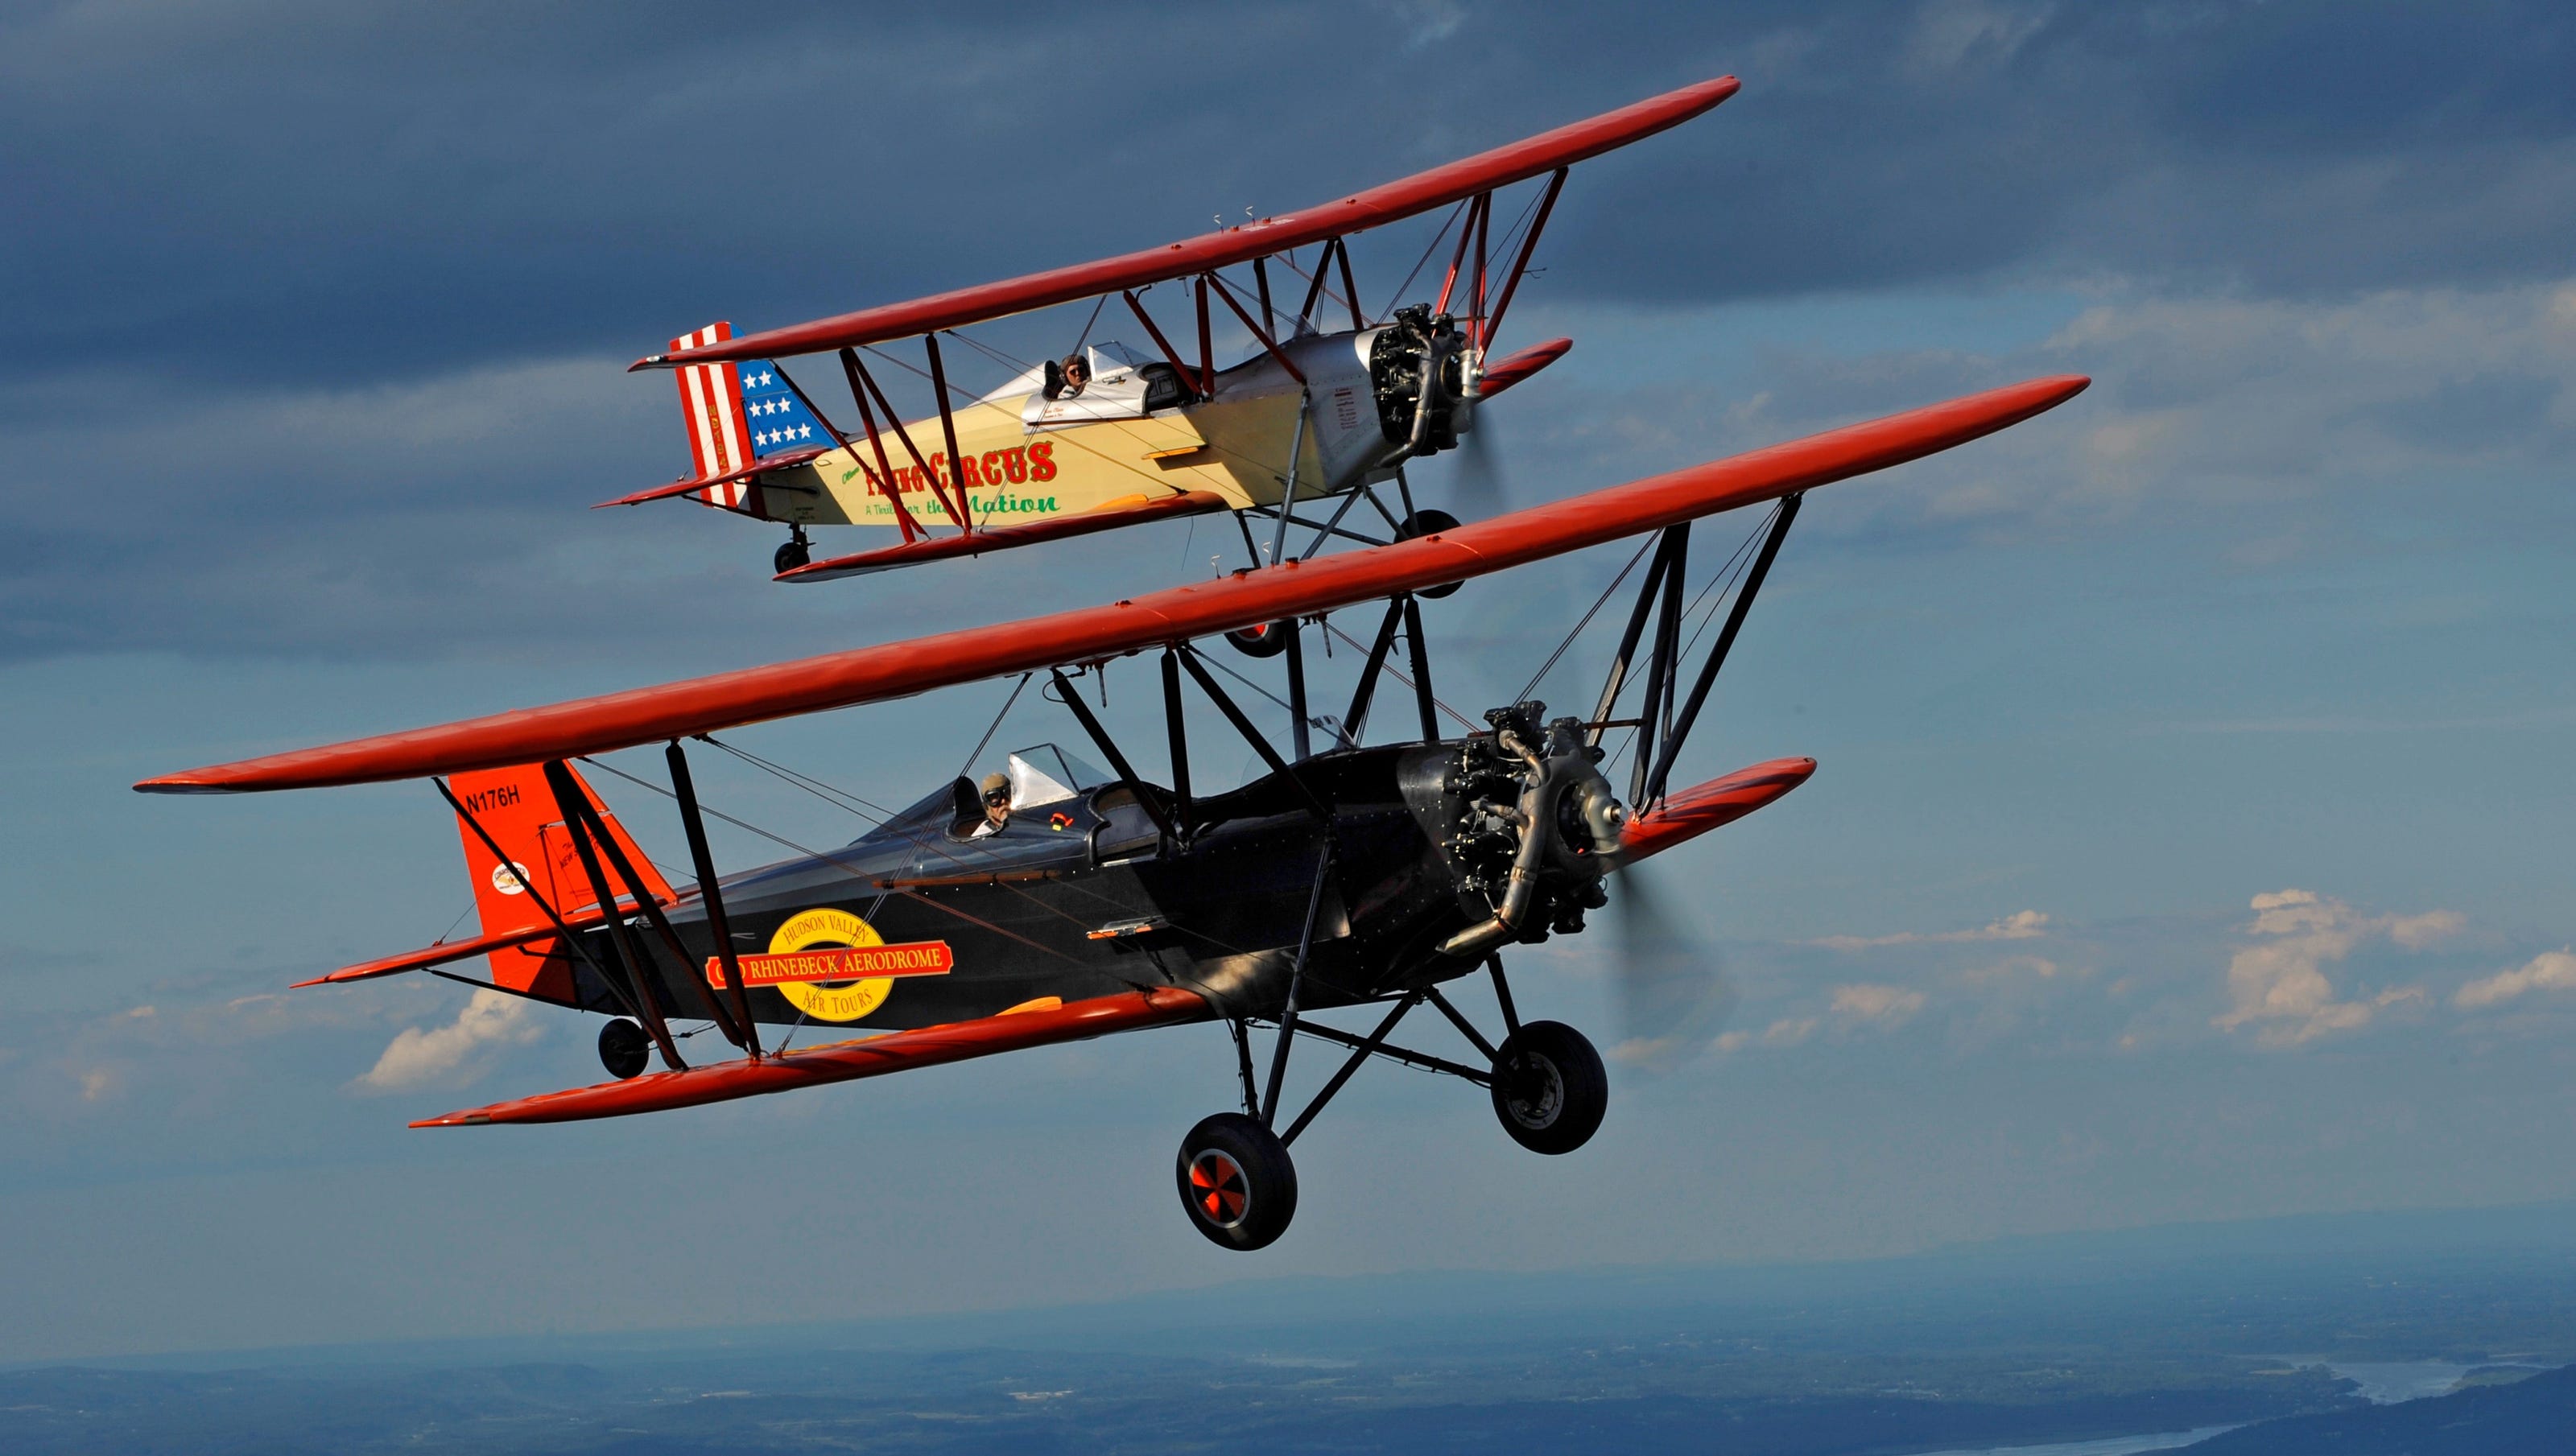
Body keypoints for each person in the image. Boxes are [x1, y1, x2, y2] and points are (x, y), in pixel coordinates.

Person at [971, 771, 1012, 837]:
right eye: (995, 797)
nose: (1003, 801)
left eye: (1008, 793)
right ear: (986, 806)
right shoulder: (983, 837)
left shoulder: (1026, 826)